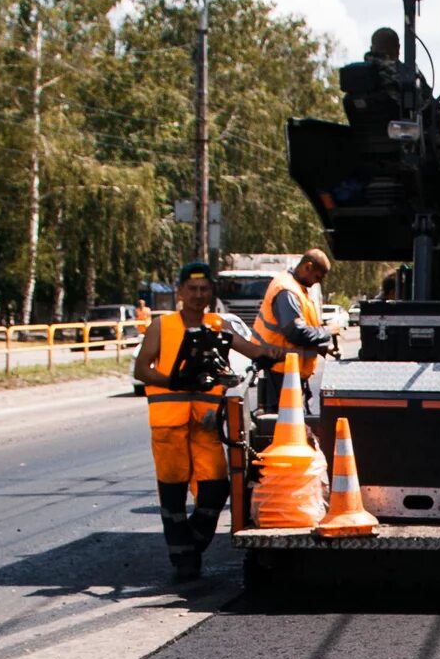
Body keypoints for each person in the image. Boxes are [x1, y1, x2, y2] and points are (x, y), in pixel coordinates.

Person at [131, 262, 273, 580]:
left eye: (204, 289)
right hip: (169, 426)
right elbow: (142, 370)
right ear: (180, 292)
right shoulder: (162, 327)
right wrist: (174, 382)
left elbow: (250, 350)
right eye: (192, 289)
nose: (198, 295)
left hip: (206, 425)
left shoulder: (218, 326)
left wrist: (276, 352)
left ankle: (191, 544)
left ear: (211, 293)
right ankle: (184, 561)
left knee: (215, 489)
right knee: (173, 495)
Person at [250, 248, 340, 429]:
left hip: (289, 373)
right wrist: (327, 331)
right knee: (286, 428)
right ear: (307, 267)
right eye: (317, 277)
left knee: (295, 426)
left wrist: (321, 348)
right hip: (281, 372)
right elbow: (295, 333)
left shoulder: (297, 289)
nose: (317, 283)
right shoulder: (287, 291)